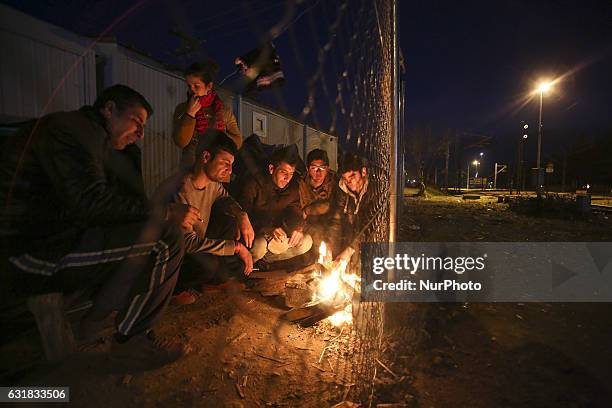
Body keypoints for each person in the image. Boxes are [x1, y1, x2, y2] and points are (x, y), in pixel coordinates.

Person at [0, 85, 189, 365]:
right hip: (29, 252)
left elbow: (114, 202)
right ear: (109, 109)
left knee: (143, 234)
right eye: (137, 122)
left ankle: (96, 317)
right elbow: (91, 204)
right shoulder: (73, 132)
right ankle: (131, 341)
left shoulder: (90, 137)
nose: (141, 134)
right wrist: (165, 211)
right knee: (166, 238)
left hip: (48, 238)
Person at [156, 130, 254, 288]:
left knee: (229, 224)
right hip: (173, 256)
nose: (230, 171)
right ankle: (175, 290)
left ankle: (214, 280)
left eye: (231, 165)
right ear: (206, 157)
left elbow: (226, 198)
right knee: (209, 265)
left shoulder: (213, 184)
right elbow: (187, 243)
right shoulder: (181, 189)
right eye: (225, 164)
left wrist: (242, 215)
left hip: (199, 244)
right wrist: (236, 247)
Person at [237, 146, 312, 266]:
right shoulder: (254, 183)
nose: (287, 178)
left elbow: (295, 212)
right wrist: (266, 229)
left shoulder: (293, 187)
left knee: (306, 242)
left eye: (291, 174)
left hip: (278, 236)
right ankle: (247, 264)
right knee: (259, 246)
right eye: (283, 172)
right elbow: (242, 214)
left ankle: (266, 261)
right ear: (272, 169)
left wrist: (298, 228)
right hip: (256, 234)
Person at [172, 60, 242, 170]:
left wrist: (218, 137)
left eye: (196, 86)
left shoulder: (223, 111)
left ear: (209, 86)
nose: (192, 90)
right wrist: (190, 114)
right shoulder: (182, 109)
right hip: (192, 169)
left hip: (218, 170)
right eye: (189, 86)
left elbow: (237, 142)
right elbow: (181, 141)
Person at [328, 154, 375, 262]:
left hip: (368, 239)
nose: (348, 182)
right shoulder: (342, 190)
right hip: (349, 235)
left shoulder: (373, 191)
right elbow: (336, 220)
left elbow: (369, 225)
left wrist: (349, 250)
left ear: (363, 172)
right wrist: (330, 247)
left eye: (352, 176)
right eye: (345, 178)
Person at [298, 149, 337, 247]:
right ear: (307, 169)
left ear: (327, 168)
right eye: (314, 168)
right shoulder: (300, 183)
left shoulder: (335, 182)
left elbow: (332, 206)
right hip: (305, 224)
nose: (318, 173)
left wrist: (308, 210)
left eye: (322, 168)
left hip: (329, 223)